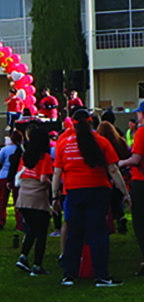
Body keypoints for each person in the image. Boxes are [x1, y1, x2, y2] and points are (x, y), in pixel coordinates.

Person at [52, 109, 129, 286]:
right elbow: (113, 170)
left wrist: (55, 196)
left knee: (74, 233)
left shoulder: (64, 143)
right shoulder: (101, 142)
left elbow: (57, 173)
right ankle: (101, 275)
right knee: (98, 233)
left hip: (73, 191)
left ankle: (69, 274)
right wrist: (125, 193)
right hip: (98, 191)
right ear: (91, 122)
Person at [14, 125, 53, 276]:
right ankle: (37, 265)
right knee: (41, 233)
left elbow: (20, 175)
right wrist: (54, 188)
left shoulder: (25, 156)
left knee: (33, 229)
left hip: (23, 198)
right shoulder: (45, 157)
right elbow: (44, 179)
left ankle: (23, 256)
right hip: (38, 198)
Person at [118, 101, 144, 276]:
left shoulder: (141, 132)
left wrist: (121, 163)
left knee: (140, 223)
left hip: (141, 181)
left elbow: (136, 159)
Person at [0, 130, 24, 231]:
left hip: (4, 176)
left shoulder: (5, 149)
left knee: (2, 200)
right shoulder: (22, 150)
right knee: (17, 201)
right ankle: (19, 224)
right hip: (18, 177)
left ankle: (0, 221)